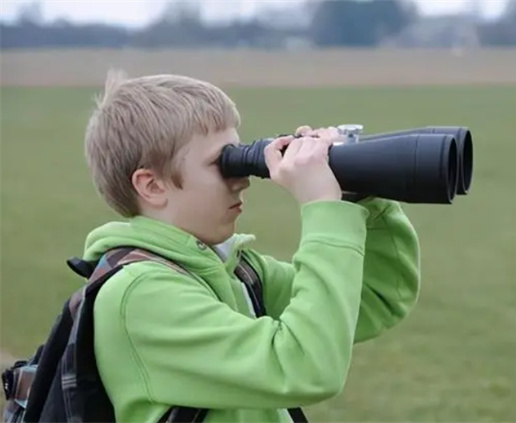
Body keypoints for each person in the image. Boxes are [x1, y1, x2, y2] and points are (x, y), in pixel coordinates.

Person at [82, 69, 421, 423]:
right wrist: (324, 209)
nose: (242, 179)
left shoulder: (235, 271)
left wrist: (357, 193)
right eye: (222, 163)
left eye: (240, 156)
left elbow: (375, 297)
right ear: (152, 185)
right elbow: (304, 367)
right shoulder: (140, 293)